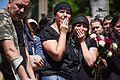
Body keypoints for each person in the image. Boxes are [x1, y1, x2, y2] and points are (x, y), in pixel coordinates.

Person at [0, 0, 36, 80]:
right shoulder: (2, 16)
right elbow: (10, 51)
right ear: (9, 3)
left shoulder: (19, 22)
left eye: (26, 8)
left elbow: (23, 52)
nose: (22, 11)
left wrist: (32, 78)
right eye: (19, 6)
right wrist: (25, 78)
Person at [39, 2, 72, 80]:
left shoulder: (69, 33)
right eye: (61, 12)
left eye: (68, 13)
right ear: (55, 15)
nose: (65, 15)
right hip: (52, 75)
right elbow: (57, 55)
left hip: (67, 74)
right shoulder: (47, 31)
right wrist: (63, 33)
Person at [69, 16, 98, 80]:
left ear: (87, 29)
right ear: (73, 28)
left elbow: (90, 62)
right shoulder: (68, 42)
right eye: (78, 26)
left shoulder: (91, 41)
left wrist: (82, 42)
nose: (81, 28)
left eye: (84, 26)